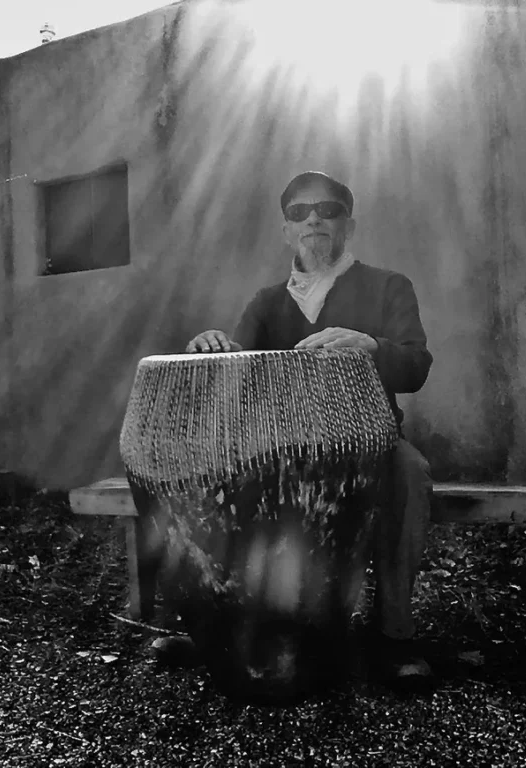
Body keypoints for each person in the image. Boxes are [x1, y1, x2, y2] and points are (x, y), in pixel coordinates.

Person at [184, 171, 435, 688]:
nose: (314, 219)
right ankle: (225, 627)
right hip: (283, 449)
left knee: (410, 474)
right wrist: (212, 346)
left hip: (371, 442)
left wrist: (370, 346)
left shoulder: (388, 286)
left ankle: (394, 638)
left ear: (349, 225)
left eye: (327, 210)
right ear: (286, 231)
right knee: (212, 478)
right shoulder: (267, 302)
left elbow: (416, 365)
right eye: (300, 212)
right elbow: (237, 372)